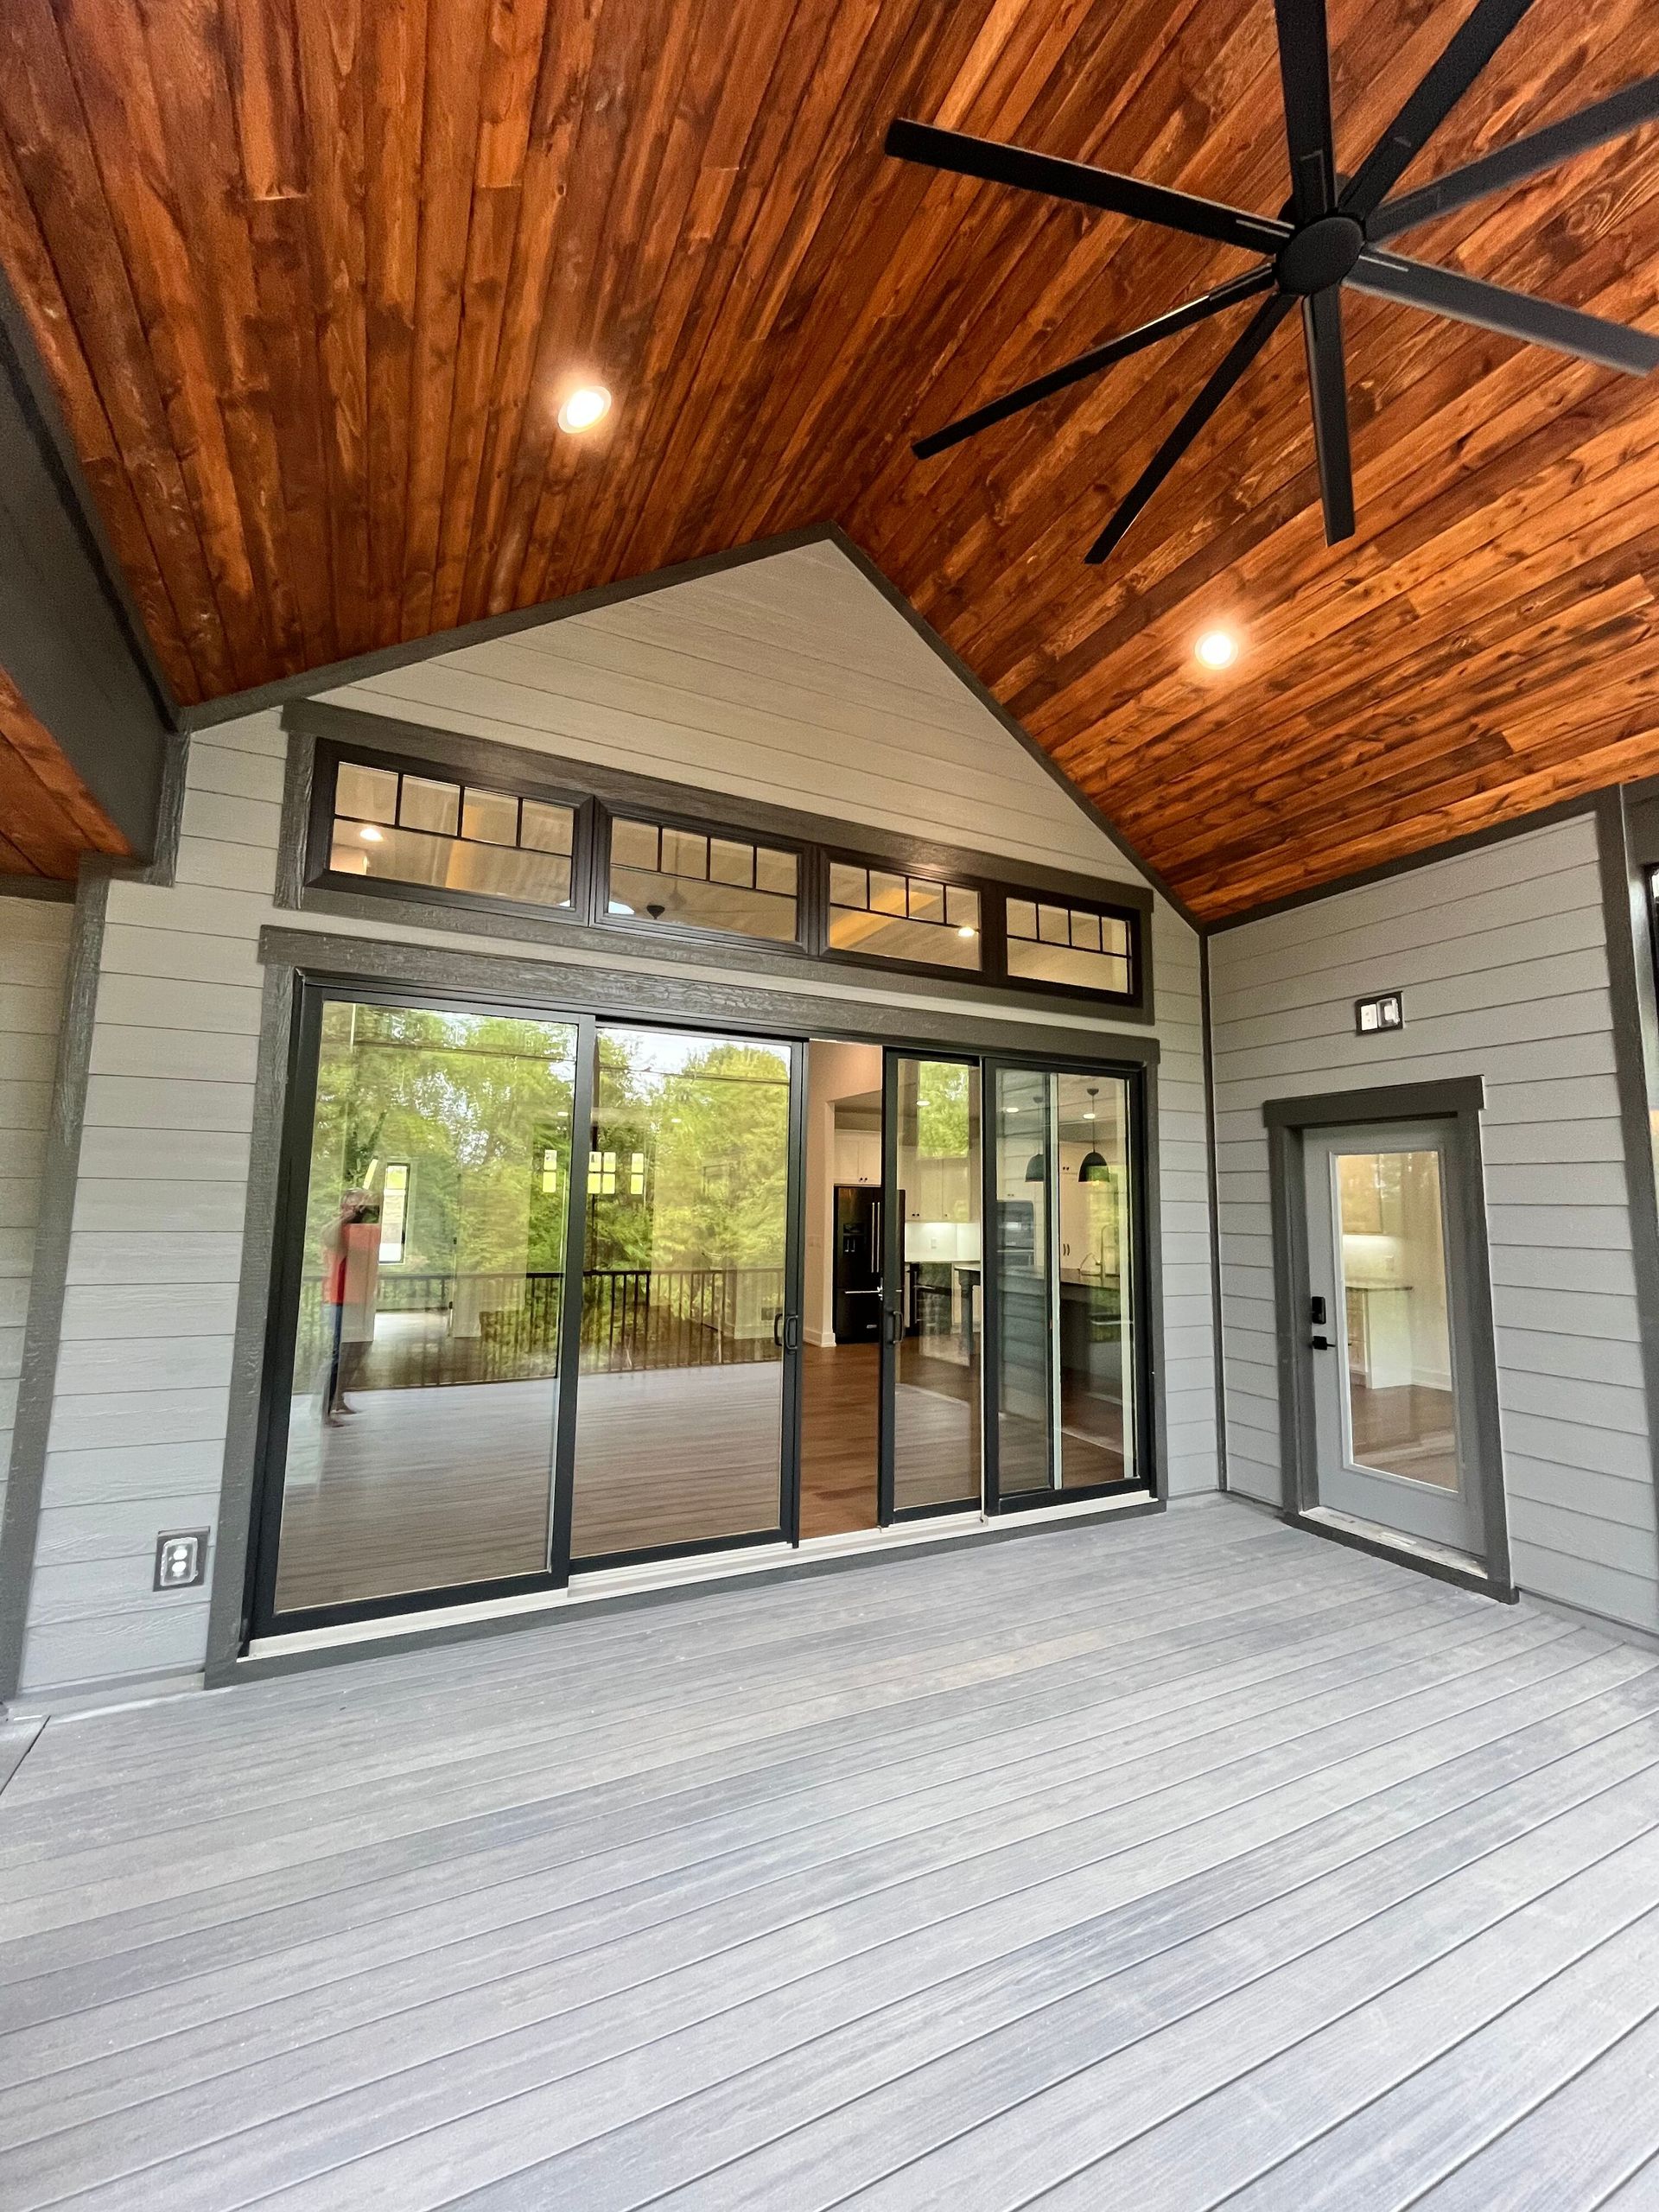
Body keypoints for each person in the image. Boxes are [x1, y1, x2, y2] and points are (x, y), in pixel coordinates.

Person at [321, 1188, 381, 1426]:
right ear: (342, 1209)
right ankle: (324, 1409)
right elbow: (327, 1235)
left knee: (358, 1349)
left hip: (360, 1300)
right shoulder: (338, 1232)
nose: (356, 1210)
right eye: (351, 1206)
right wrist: (347, 1217)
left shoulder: (363, 1232)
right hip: (338, 1300)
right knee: (337, 1354)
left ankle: (338, 1398)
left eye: (360, 1206)